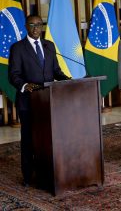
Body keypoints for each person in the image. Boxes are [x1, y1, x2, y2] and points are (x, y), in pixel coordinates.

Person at [8, 15, 70, 186]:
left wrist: (68, 80)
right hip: (28, 102)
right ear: (26, 26)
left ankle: (48, 172)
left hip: (49, 102)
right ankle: (28, 177)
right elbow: (13, 75)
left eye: (39, 25)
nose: (36, 28)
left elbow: (56, 71)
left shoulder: (49, 46)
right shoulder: (18, 48)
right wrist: (24, 84)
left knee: (48, 138)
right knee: (29, 139)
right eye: (32, 25)